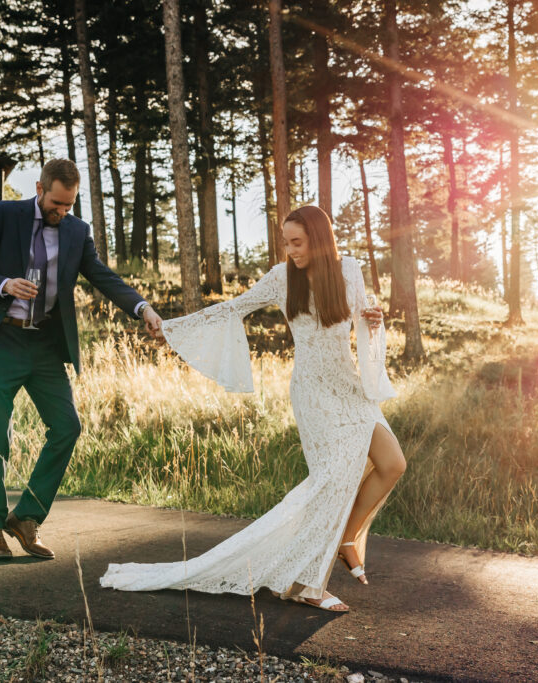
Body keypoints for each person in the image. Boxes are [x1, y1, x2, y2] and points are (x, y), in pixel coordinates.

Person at [101, 205, 406, 612]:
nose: (291, 250)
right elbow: (231, 309)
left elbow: (364, 320)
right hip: (313, 391)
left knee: (392, 463)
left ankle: (347, 539)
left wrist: (374, 319)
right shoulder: (282, 278)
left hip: (350, 387)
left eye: (297, 242)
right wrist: (173, 329)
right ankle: (305, 584)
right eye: (286, 242)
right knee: (331, 481)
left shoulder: (349, 270)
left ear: (319, 239)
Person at [0, 159, 164, 561]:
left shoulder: (76, 231)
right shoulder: (6, 214)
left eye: (69, 205)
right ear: (39, 188)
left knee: (67, 427)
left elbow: (103, 276)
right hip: (2, 341)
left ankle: (28, 517)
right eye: (56, 203)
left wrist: (142, 308)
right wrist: (3, 284)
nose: (61, 212)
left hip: (47, 346)